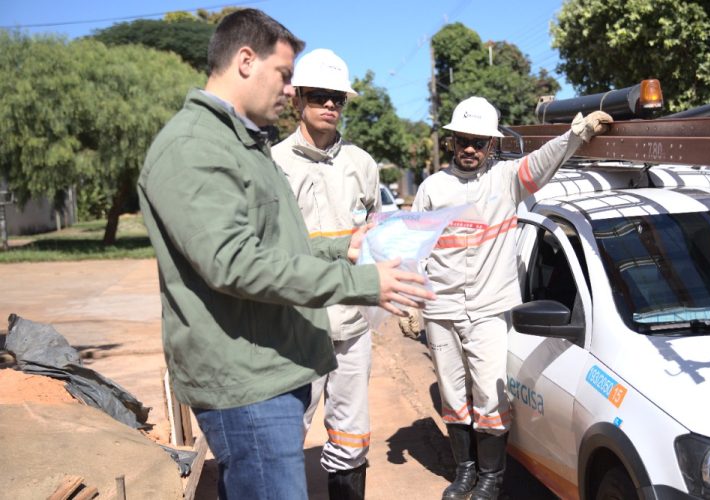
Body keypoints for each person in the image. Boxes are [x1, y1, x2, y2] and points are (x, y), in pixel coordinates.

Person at [137, 9, 433, 500]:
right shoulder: (194, 147)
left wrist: (344, 247)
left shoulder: (242, 144)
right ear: (246, 61)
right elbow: (234, 263)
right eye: (286, 76)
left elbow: (272, 246)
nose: (291, 91)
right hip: (247, 383)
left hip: (271, 366)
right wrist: (361, 282)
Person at [412, 96, 611, 500]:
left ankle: (492, 478)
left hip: (487, 309)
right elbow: (415, 247)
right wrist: (412, 301)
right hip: (440, 309)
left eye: (479, 142)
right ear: (452, 142)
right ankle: (465, 471)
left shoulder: (505, 180)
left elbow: (542, 161)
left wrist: (576, 134)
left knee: (489, 394)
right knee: (452, 395)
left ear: (491, 146)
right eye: (463, 140)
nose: (470, 148)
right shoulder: (433, 188)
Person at [272, 48, 377, 499]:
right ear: (298, 100)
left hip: (352, 324)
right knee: (284, 434)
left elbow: (372, 236)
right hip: (297, 325)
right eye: (319, 96)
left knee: (351, 435)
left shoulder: (362, 165)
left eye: (338, 98)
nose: (330, 105)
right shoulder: (273, 164)